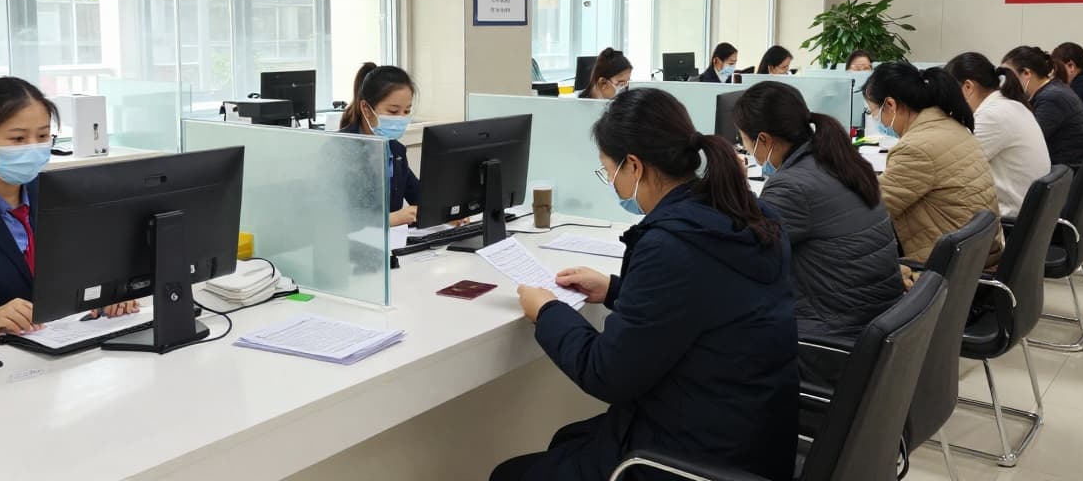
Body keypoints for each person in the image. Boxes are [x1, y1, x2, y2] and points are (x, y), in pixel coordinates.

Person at [492, 89, 796, 481]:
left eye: (608, 171)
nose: (612, 183)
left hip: (691, 455)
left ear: (634, 166)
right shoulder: (748, 214)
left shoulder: (672, 244)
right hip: (751, 437)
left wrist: (547, 311)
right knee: (568, 439)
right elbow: (703, 304)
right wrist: (615, 290)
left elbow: (606, 373)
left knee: (510, 473)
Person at [0, 77, 139, 335]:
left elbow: (88, 271)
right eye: (18, 138)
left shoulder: (59, 196)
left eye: (42, 136)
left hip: (62, 344)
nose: (32, 147)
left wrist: (111, 292)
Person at [733, 81, 902, 345]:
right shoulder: (842, 160)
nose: (744, 149)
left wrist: (734, 186)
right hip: (880, 318)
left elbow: (745, 257)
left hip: (833, 336)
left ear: (763, 139)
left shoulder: (792, 186)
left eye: (743, 141)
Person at [864, 63, 1001, 282]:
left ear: (890, 105)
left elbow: (870, 210)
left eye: (872, 112)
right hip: (977, 257)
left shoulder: (916, 147)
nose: (875, 119)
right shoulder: (950, 126)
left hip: (946, 273)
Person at [946, 53, 1050, 220]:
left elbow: (951, 167)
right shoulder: (1010, 105)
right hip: (1026, 214)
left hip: (1009, 220)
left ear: (968, 87)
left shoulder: (992, 115)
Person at [339, 63, 421, 227]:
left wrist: (448, 213)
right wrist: (390, 219)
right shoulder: (339, 150)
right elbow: (336, 217)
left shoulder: (396, 150)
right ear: (366, 109)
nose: (401, 118)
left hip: (394, 241)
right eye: (393, 111)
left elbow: (419, 196)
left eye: (406, 111)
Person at [1001, 46, 1083, 168]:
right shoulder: (1054, 88)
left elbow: (1027, 142)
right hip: (1068, 168)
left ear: (1026, 73)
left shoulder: (1051, 98)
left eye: (1008, 76)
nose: (1005, 83)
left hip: (1066, 171)